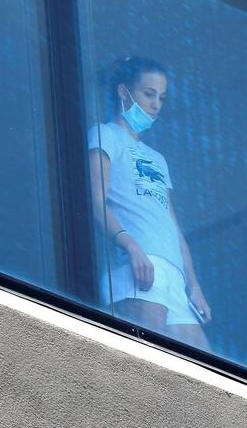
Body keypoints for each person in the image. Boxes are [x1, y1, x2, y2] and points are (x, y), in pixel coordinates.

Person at [87, 55, 212, 347]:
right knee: (149, 362)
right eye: (148, 93)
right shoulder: (105, 135)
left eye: (161, 97)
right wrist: (131, 246)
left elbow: (173, 226)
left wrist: (192, 283)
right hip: (140, 266)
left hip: (172, 273)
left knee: (204, 366)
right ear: (123, 91)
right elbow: (96, 201)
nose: (155, 104)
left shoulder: (157, 158)